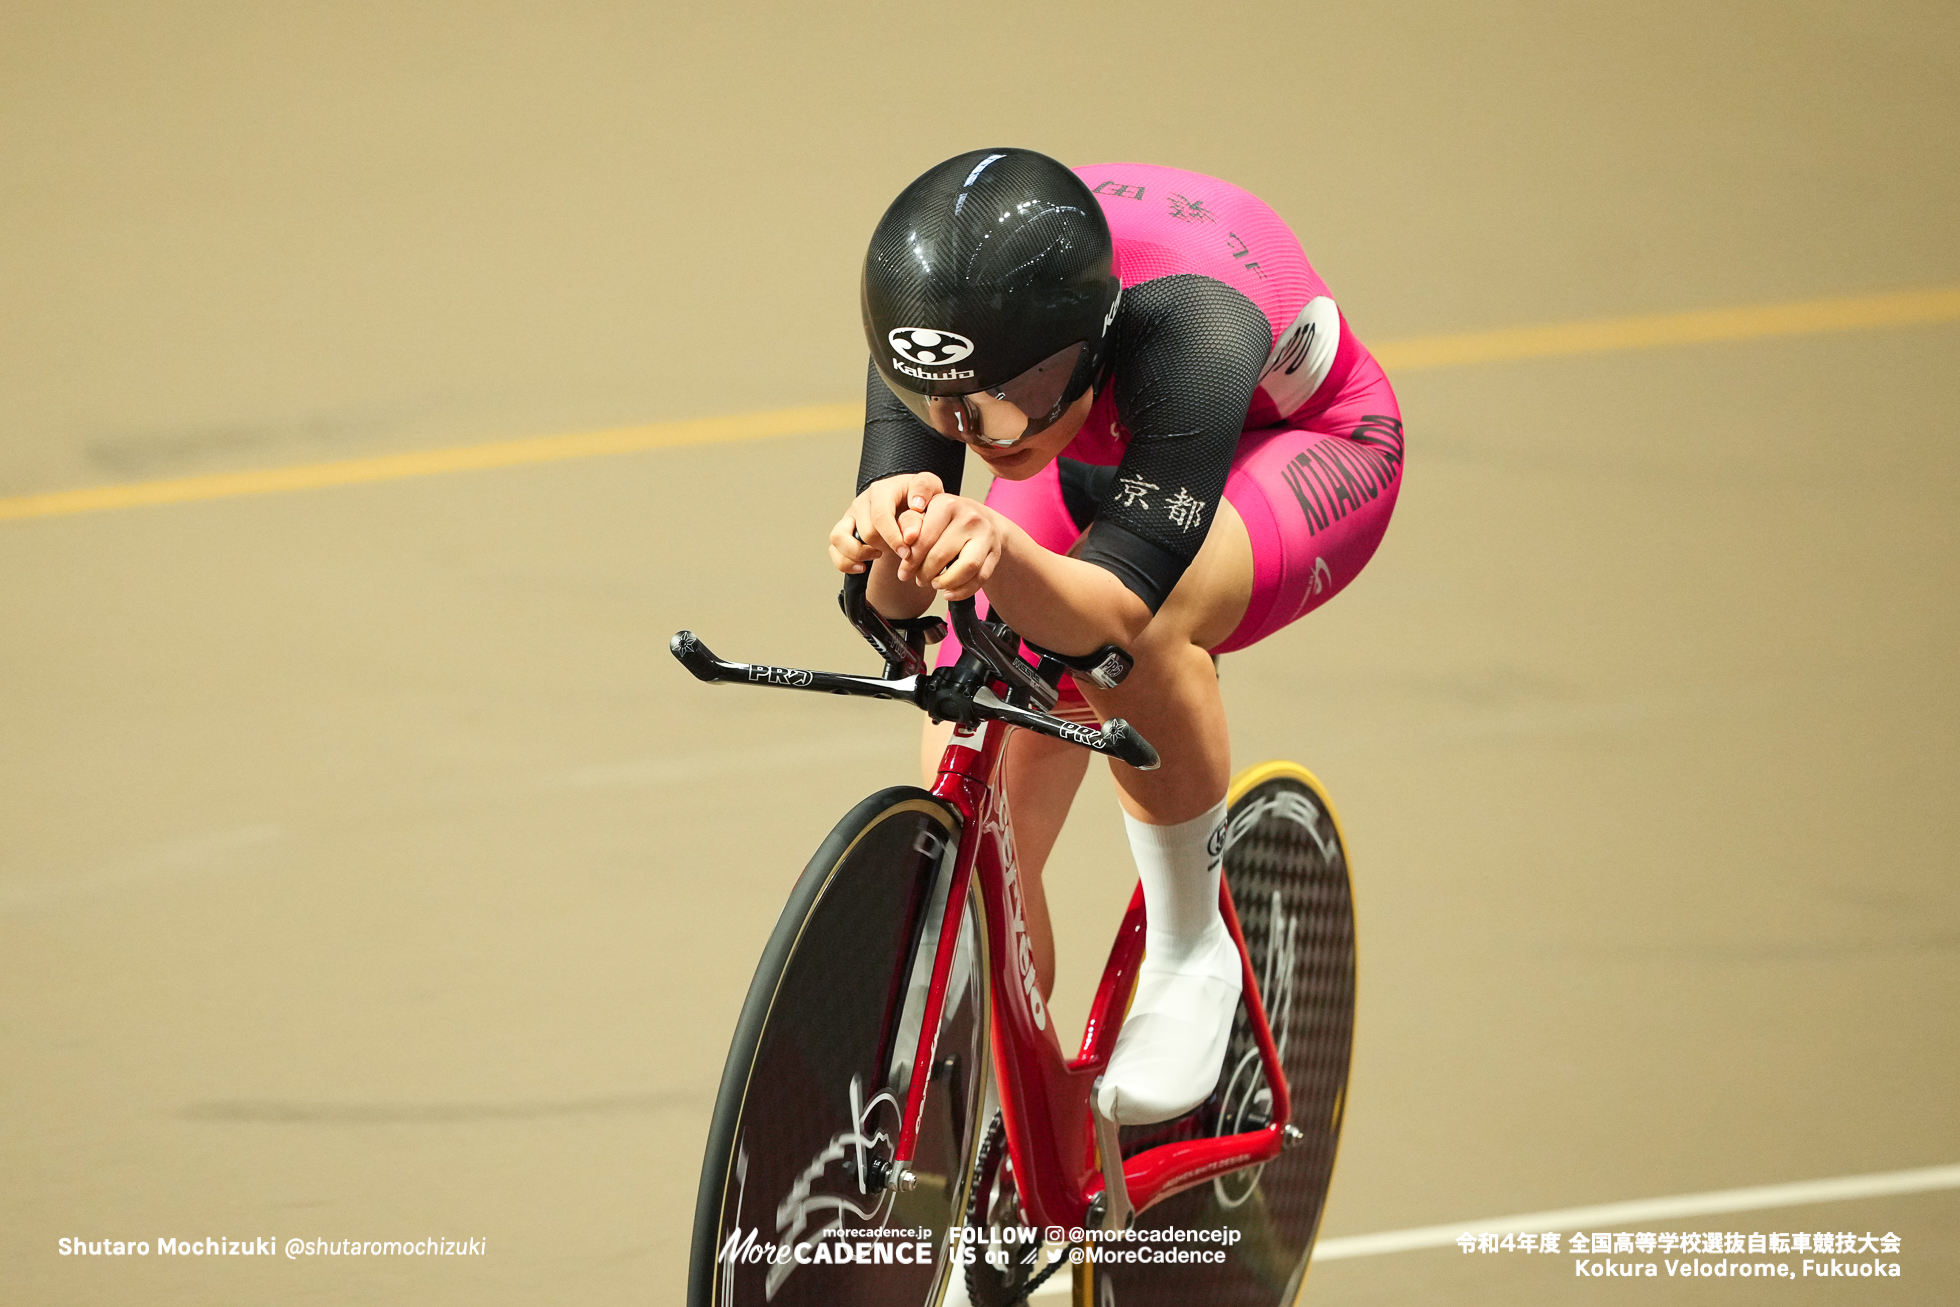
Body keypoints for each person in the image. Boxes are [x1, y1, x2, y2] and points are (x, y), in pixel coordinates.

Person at [829, 149, 1402, 1126]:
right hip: (1096, 445)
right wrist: (883, 535)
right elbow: (896, 608)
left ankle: (1190, 950)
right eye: (954, 411)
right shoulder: (940, 332)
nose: (984, 435)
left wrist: (998, 553)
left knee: (1137, 639)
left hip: (1295, 444)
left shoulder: (1194, 324)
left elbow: (1115, 614)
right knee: (965, 781)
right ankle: (1008, 1129)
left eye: (1011, 401)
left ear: (1091, 342)